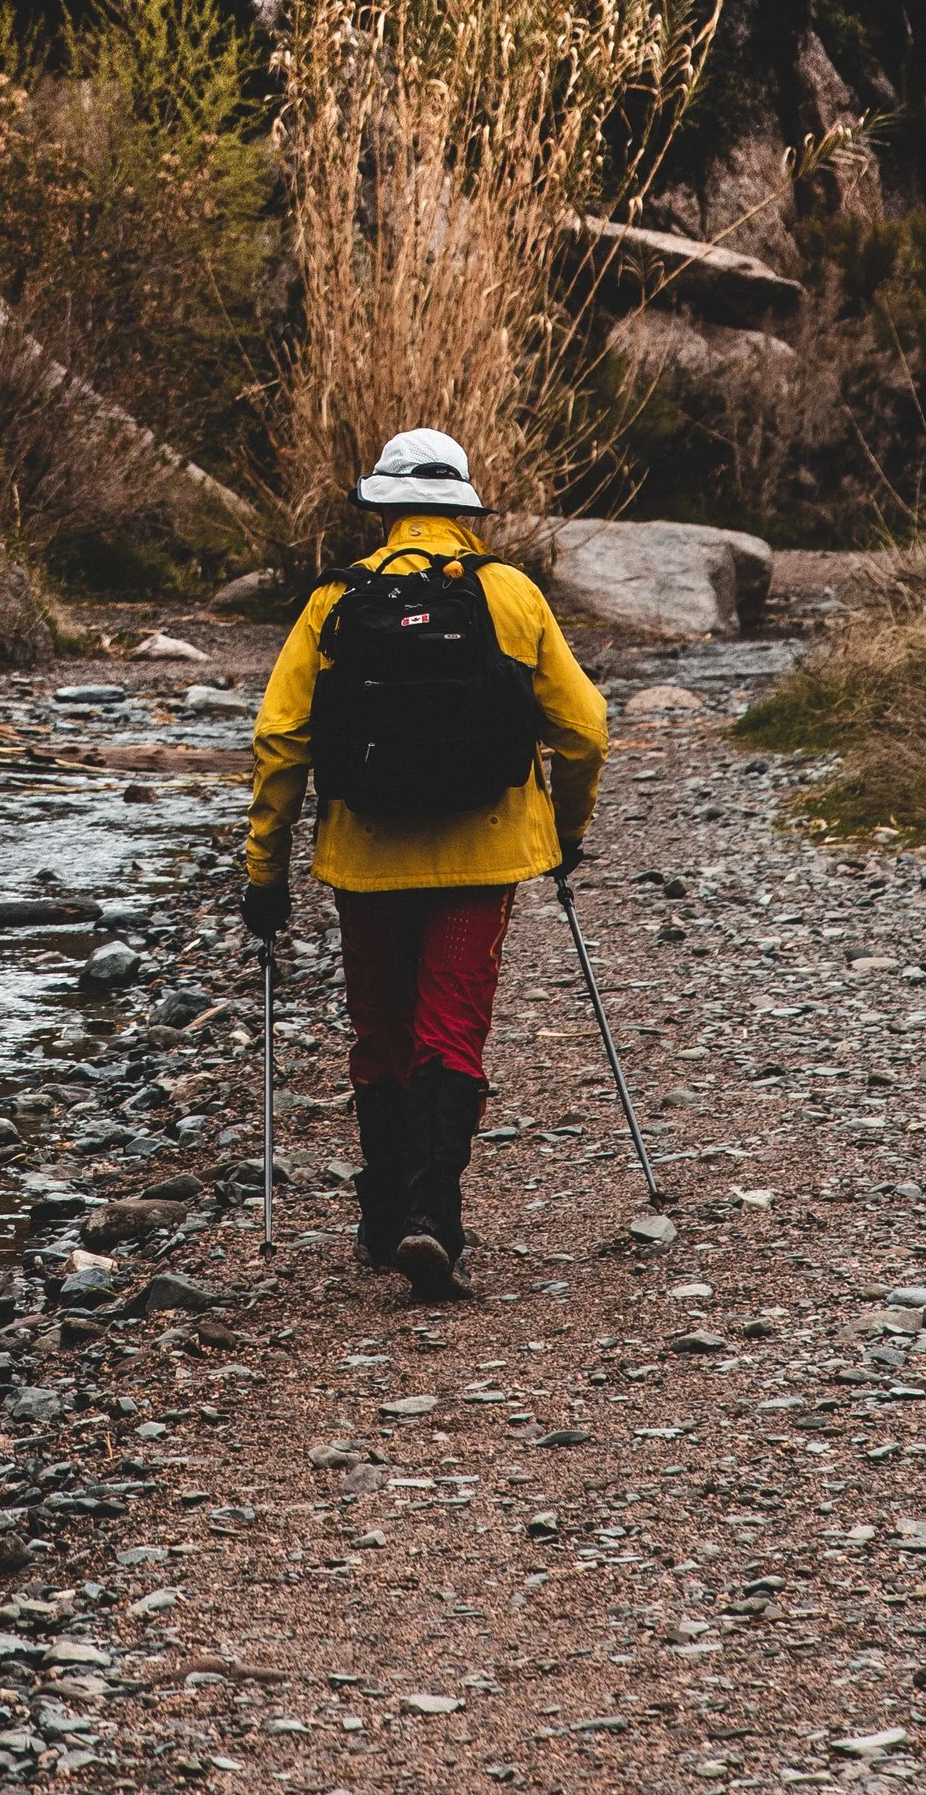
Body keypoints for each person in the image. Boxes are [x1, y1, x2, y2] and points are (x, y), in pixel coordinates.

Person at [240, 425, 608, 1299]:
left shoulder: (336, 600)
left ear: (384, 509)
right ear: (464, 510)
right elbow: (585, 730)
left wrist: (265, 873)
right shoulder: (510, 594)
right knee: (452, 1024)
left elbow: (278, 741)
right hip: (483, 853)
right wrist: (565, 833)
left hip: (364, 854)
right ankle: (431, 1219)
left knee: (379, 1028)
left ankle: (379, 1218)